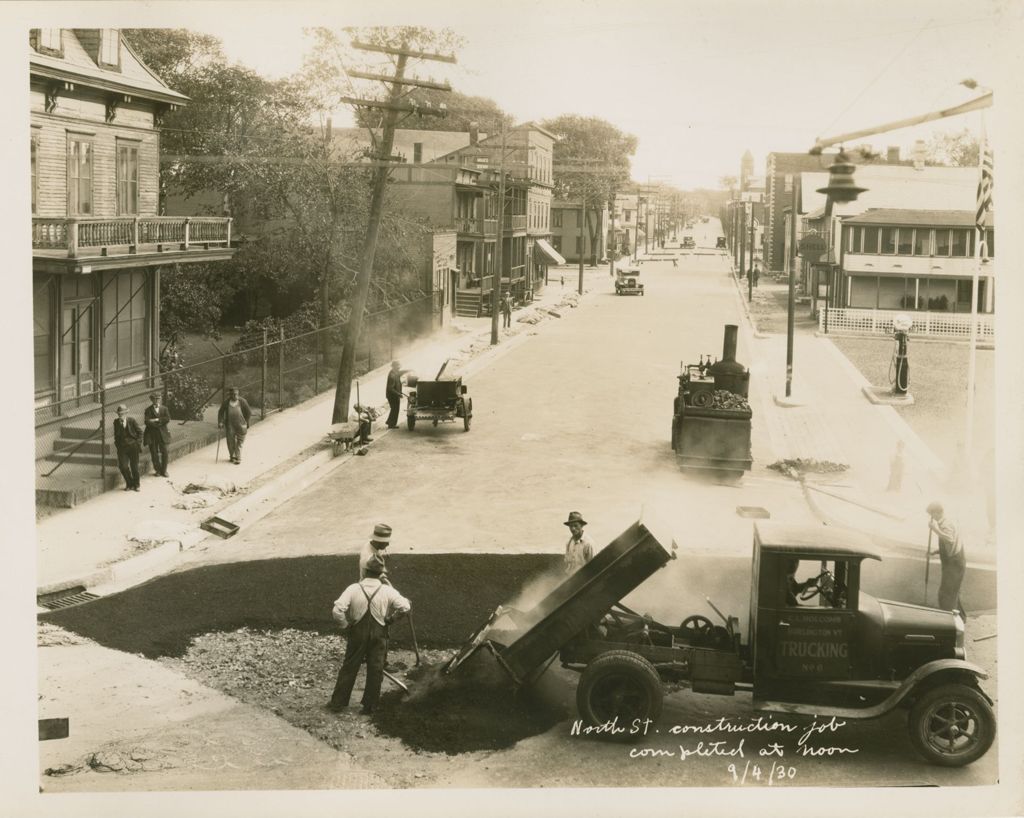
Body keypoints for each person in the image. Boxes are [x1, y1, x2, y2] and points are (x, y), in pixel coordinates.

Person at [328, 559, 411, 715]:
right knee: (376, 669)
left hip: (357, 634)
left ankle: (337, 703)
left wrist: (345, 625)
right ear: (380, 574)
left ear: (365, 571)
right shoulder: (387, 590)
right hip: (379, 634)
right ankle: (370, 706)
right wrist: (392, 619)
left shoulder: (353, 588)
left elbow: (337, 610)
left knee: (350, 667)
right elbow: (405, 607)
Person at [927, 502, 966, 613]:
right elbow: (950, 544)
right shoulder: (948, 521)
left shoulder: (944, 524)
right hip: (955, 561)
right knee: (953, 591)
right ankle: (960, 618)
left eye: (932, 514)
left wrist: (934, 529)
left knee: (946, 593)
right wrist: (936, 551)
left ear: (937, 512)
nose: (931, 517)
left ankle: (947, 619)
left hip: (954, 563)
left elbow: (950, 539)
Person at [217, 387, 252, 465]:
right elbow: (221, 412)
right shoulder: (226, 402)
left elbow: (249, 412)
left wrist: (246, 422)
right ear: (229, 395)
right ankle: (232, 456)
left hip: (241, 425)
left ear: (238, 393)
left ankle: (238, 457)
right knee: (230, 441)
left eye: (236, 394)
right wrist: (220, 422)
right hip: (230, 425)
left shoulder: (242, 401)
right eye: (232, 394)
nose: (234, 396)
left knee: (240, 441)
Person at [113, 404, 142, 492]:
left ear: (126, 413)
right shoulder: (116, 422)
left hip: (133, 446)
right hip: (122, 448)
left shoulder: (131, 420)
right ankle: (129, 483)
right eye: (119, 414)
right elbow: (116, 436)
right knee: (123, 467)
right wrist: (118, 446)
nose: (120, 415)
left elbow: (140, 432)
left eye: (122, 413)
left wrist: (138, 443)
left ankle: (136, 485)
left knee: (134, 467)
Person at [143, 392, 171, 477]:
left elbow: (167, 419)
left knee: (165, 452)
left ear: (160, 399)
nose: (156, 400)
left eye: (158, 398)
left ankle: (164, 470)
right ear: (151, 400)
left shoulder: (164, 409)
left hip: (162, 434)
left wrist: (156, 420)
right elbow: (147, 421)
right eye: (154, 399)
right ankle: (158, 470)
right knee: (154, 453)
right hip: (152, 434)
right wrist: (157, 422)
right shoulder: (148, 410)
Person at [385, 360, 406, 429]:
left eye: (399, 365)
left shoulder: (395, 372)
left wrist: (408, 370)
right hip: (392, 396)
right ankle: (391, 424)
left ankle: (390, 423)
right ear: (394, 366)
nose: (399, 367)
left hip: (394, 395)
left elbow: (400, 372)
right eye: (398, 366)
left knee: (394, 409)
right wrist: (398, 394)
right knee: (395, 409)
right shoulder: (392, 376)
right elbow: (390, 388)